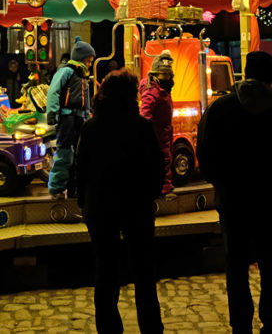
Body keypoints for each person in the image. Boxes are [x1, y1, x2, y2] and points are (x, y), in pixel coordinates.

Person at [197, 51, 272, 334]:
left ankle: (241, 324)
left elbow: (204, 153)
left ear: (244, 72)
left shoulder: (220, 108)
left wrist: (222, 184)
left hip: (233, 199)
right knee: (271, 264)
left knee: (236, 266)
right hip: (271, 200)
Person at [76, 69, 165, 334]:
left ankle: (109, 328)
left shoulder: (91, 127)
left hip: (101, 208)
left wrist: (84, 202)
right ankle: (151, 327)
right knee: (144, 273)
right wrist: (151, 194)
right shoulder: (141, 127)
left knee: (106, 273)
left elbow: (81, 168)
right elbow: (157, 166)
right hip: (136, 206)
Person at [46, 36, 96, 199]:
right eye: (88, 61)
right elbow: (53, 91)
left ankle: (74, 189)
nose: (89, 64)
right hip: (66, 118)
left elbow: (86, 100)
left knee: (79, 155)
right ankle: (56, 189)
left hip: (80, 119)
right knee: (65, 153)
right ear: (80, 58)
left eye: (90, 61)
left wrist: (87, 116)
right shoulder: (66, 71)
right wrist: (52, 113)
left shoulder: (83, 76)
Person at [140, 50, 175, 196]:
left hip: (162, 131)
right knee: (163, 159)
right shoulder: (153, 91)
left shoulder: (160, 89)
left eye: (168, 74)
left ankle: (161, 187)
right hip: (158, 133)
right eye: (163, 74)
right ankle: (164, 189)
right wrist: (148, 131)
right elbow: (145, 112)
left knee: (164, 158)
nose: (166, 77)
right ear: (155, 74)